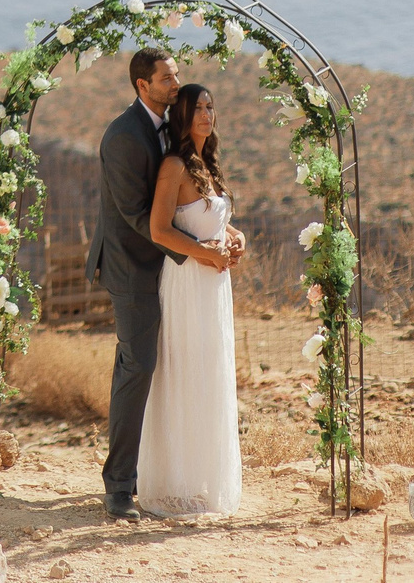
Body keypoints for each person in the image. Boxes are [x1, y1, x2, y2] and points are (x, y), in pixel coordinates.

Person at [89, 49, 244, 519]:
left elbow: (191, 202)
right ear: (143, 86)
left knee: (179, 367)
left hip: (177, 269)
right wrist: (201, 252)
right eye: (167, 78)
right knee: (138, 367)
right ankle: (119, 486)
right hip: (135, 267)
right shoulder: (123, 136)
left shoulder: (174, 131)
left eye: (177, 75)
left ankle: (166, 470)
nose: (177, 83)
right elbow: (142, 218)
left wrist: (226, 233)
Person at [137, 82, 245, 516]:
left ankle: (204, 473)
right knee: (183, 371)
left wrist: (236, 240)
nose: (206, 113)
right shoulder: (174, 167)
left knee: (211, 371)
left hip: (215, 286)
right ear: (181, 116)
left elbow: (213, 221)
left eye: (210, 106)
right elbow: (160, 230)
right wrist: (206, 253)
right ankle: (174, 479)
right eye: (197, 107)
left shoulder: (208, 165)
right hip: (186, 281)